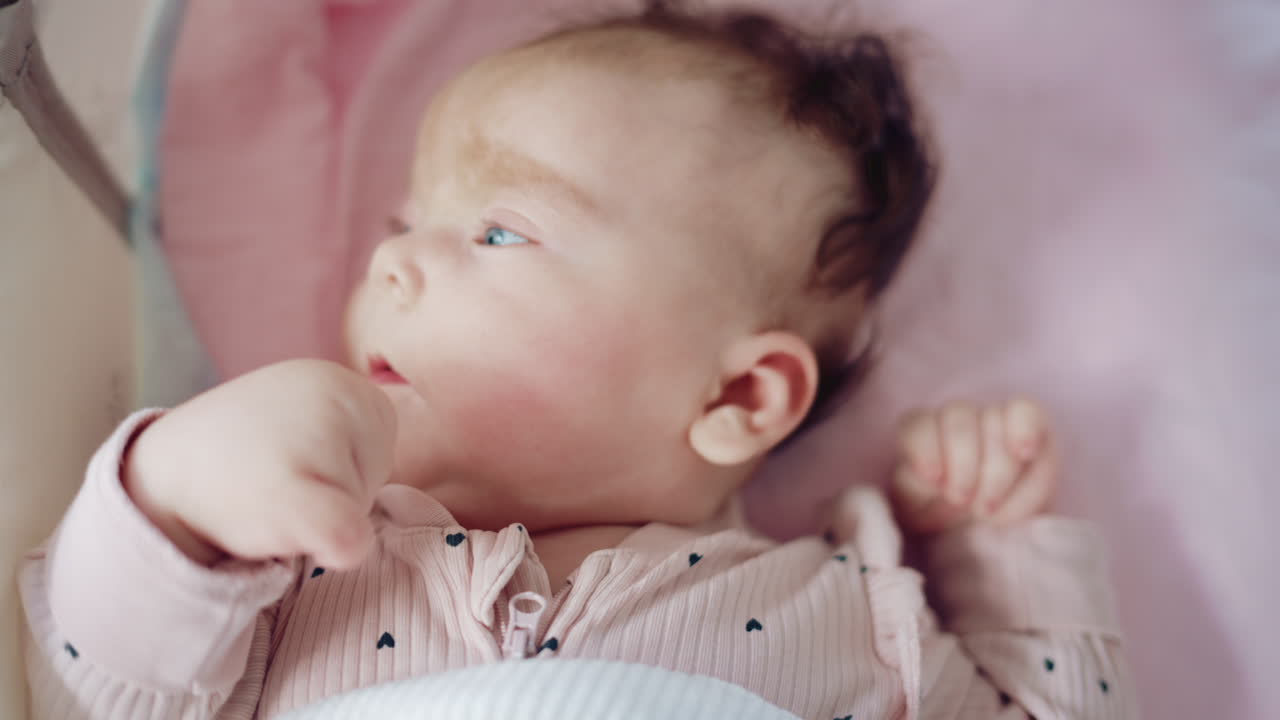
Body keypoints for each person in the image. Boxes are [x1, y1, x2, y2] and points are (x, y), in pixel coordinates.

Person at [20, 4, 1135, 718]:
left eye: (500, 231)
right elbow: (86, 686)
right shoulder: (308, 564)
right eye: (403, 224)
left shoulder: (853, 619)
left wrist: (993, 551)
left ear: (739, 396)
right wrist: (179, 498)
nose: (397, 263)